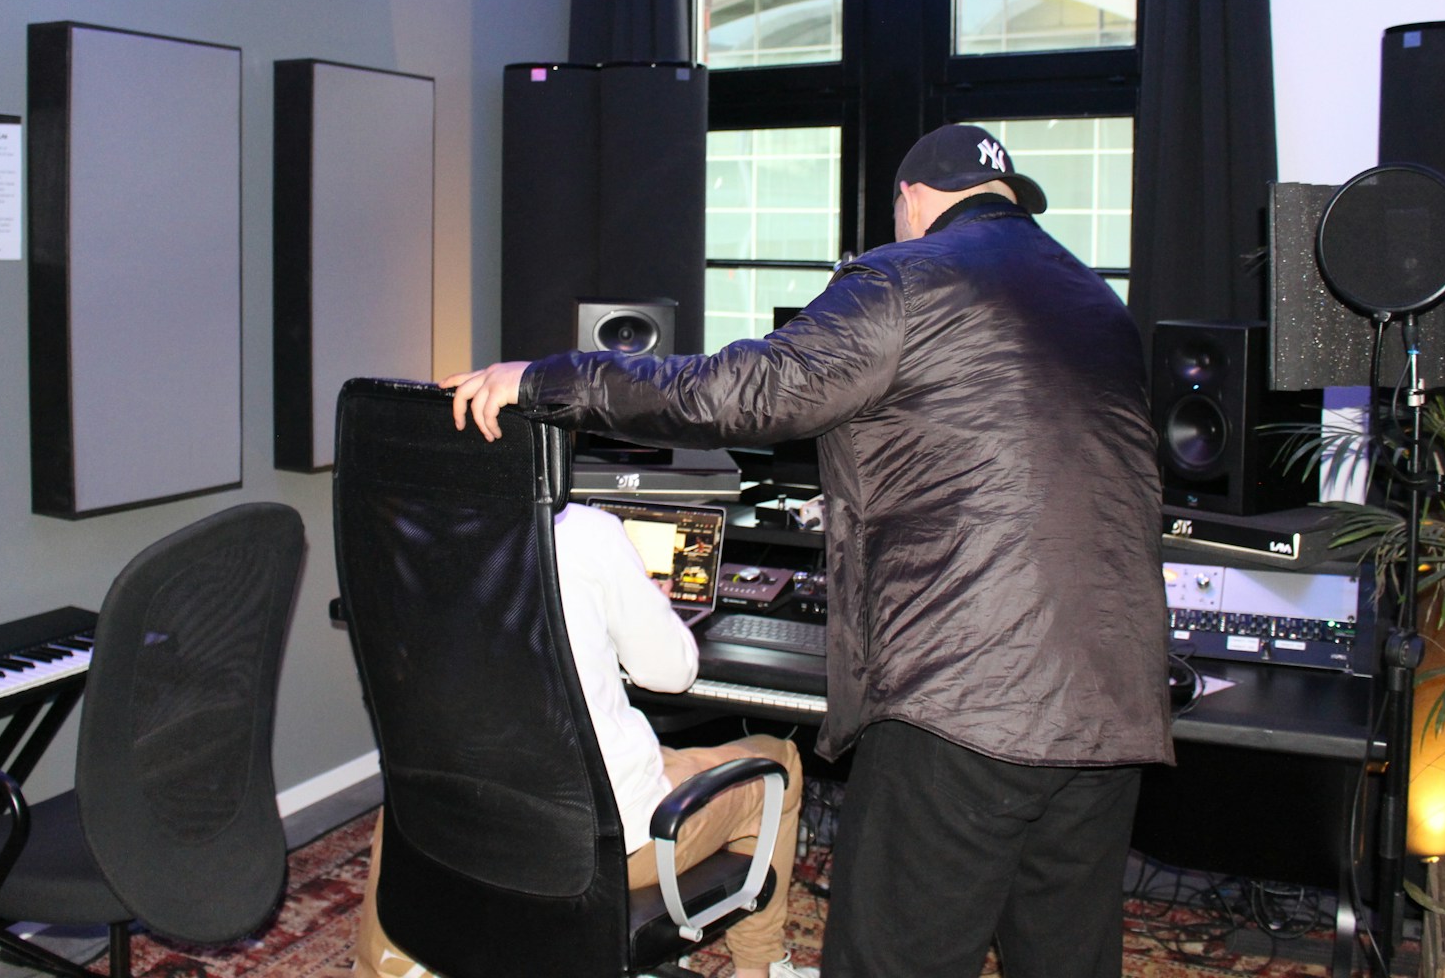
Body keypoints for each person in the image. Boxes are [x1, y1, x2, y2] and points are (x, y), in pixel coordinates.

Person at [444, 123, 1172, 978]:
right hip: (1116, 694)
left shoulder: (904, 277)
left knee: (894, 958)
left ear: (911, 201)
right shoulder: (1099, 304)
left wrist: (545, 379)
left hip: (967, 692)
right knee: (1066, 958)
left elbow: (742, 393)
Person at [351, 499, 813, 978]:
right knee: (780, 760)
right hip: (594, 854)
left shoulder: (408, 530)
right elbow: (671, 674)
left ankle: (387, 967)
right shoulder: (589, 532)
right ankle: (761, 969)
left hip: (455, 828)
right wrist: (650, 605)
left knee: (411, 793)